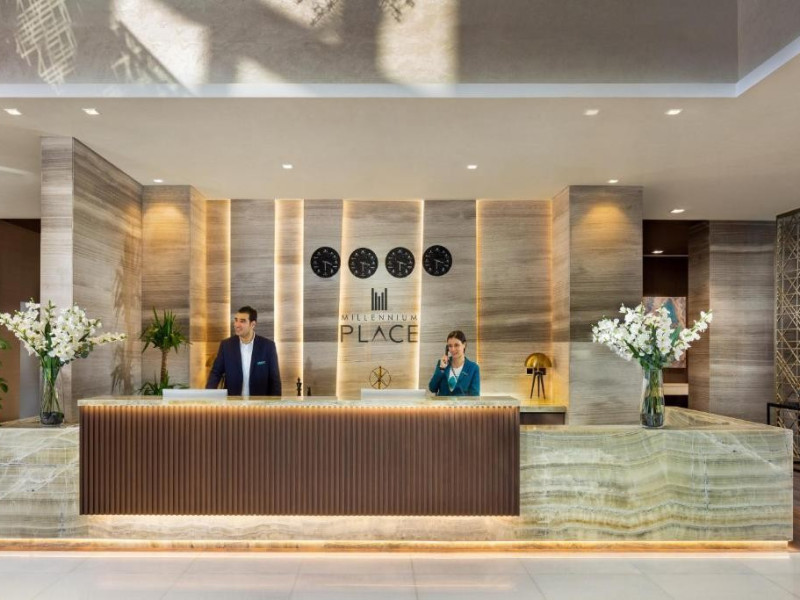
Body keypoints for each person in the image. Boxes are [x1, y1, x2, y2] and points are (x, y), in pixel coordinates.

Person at [206, 306, 282, 396]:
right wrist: (207, 396)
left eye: (242, 321)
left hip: (259, 402)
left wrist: (274, 403)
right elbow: (215, 373)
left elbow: (275, 380)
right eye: (236, 320)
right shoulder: (226, 345)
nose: (237, 325)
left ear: (252, 324)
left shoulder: (268, 346)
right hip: (233, 402)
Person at [428, 330, 480, 396]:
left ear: (464, 345)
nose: (453, 349)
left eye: (456, 345)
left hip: (462, 403)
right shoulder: (442, 363)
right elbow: (432, 388)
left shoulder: (473, 368)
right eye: (450, 346)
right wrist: (441, 369)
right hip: (442, 403)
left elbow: (475, 395)